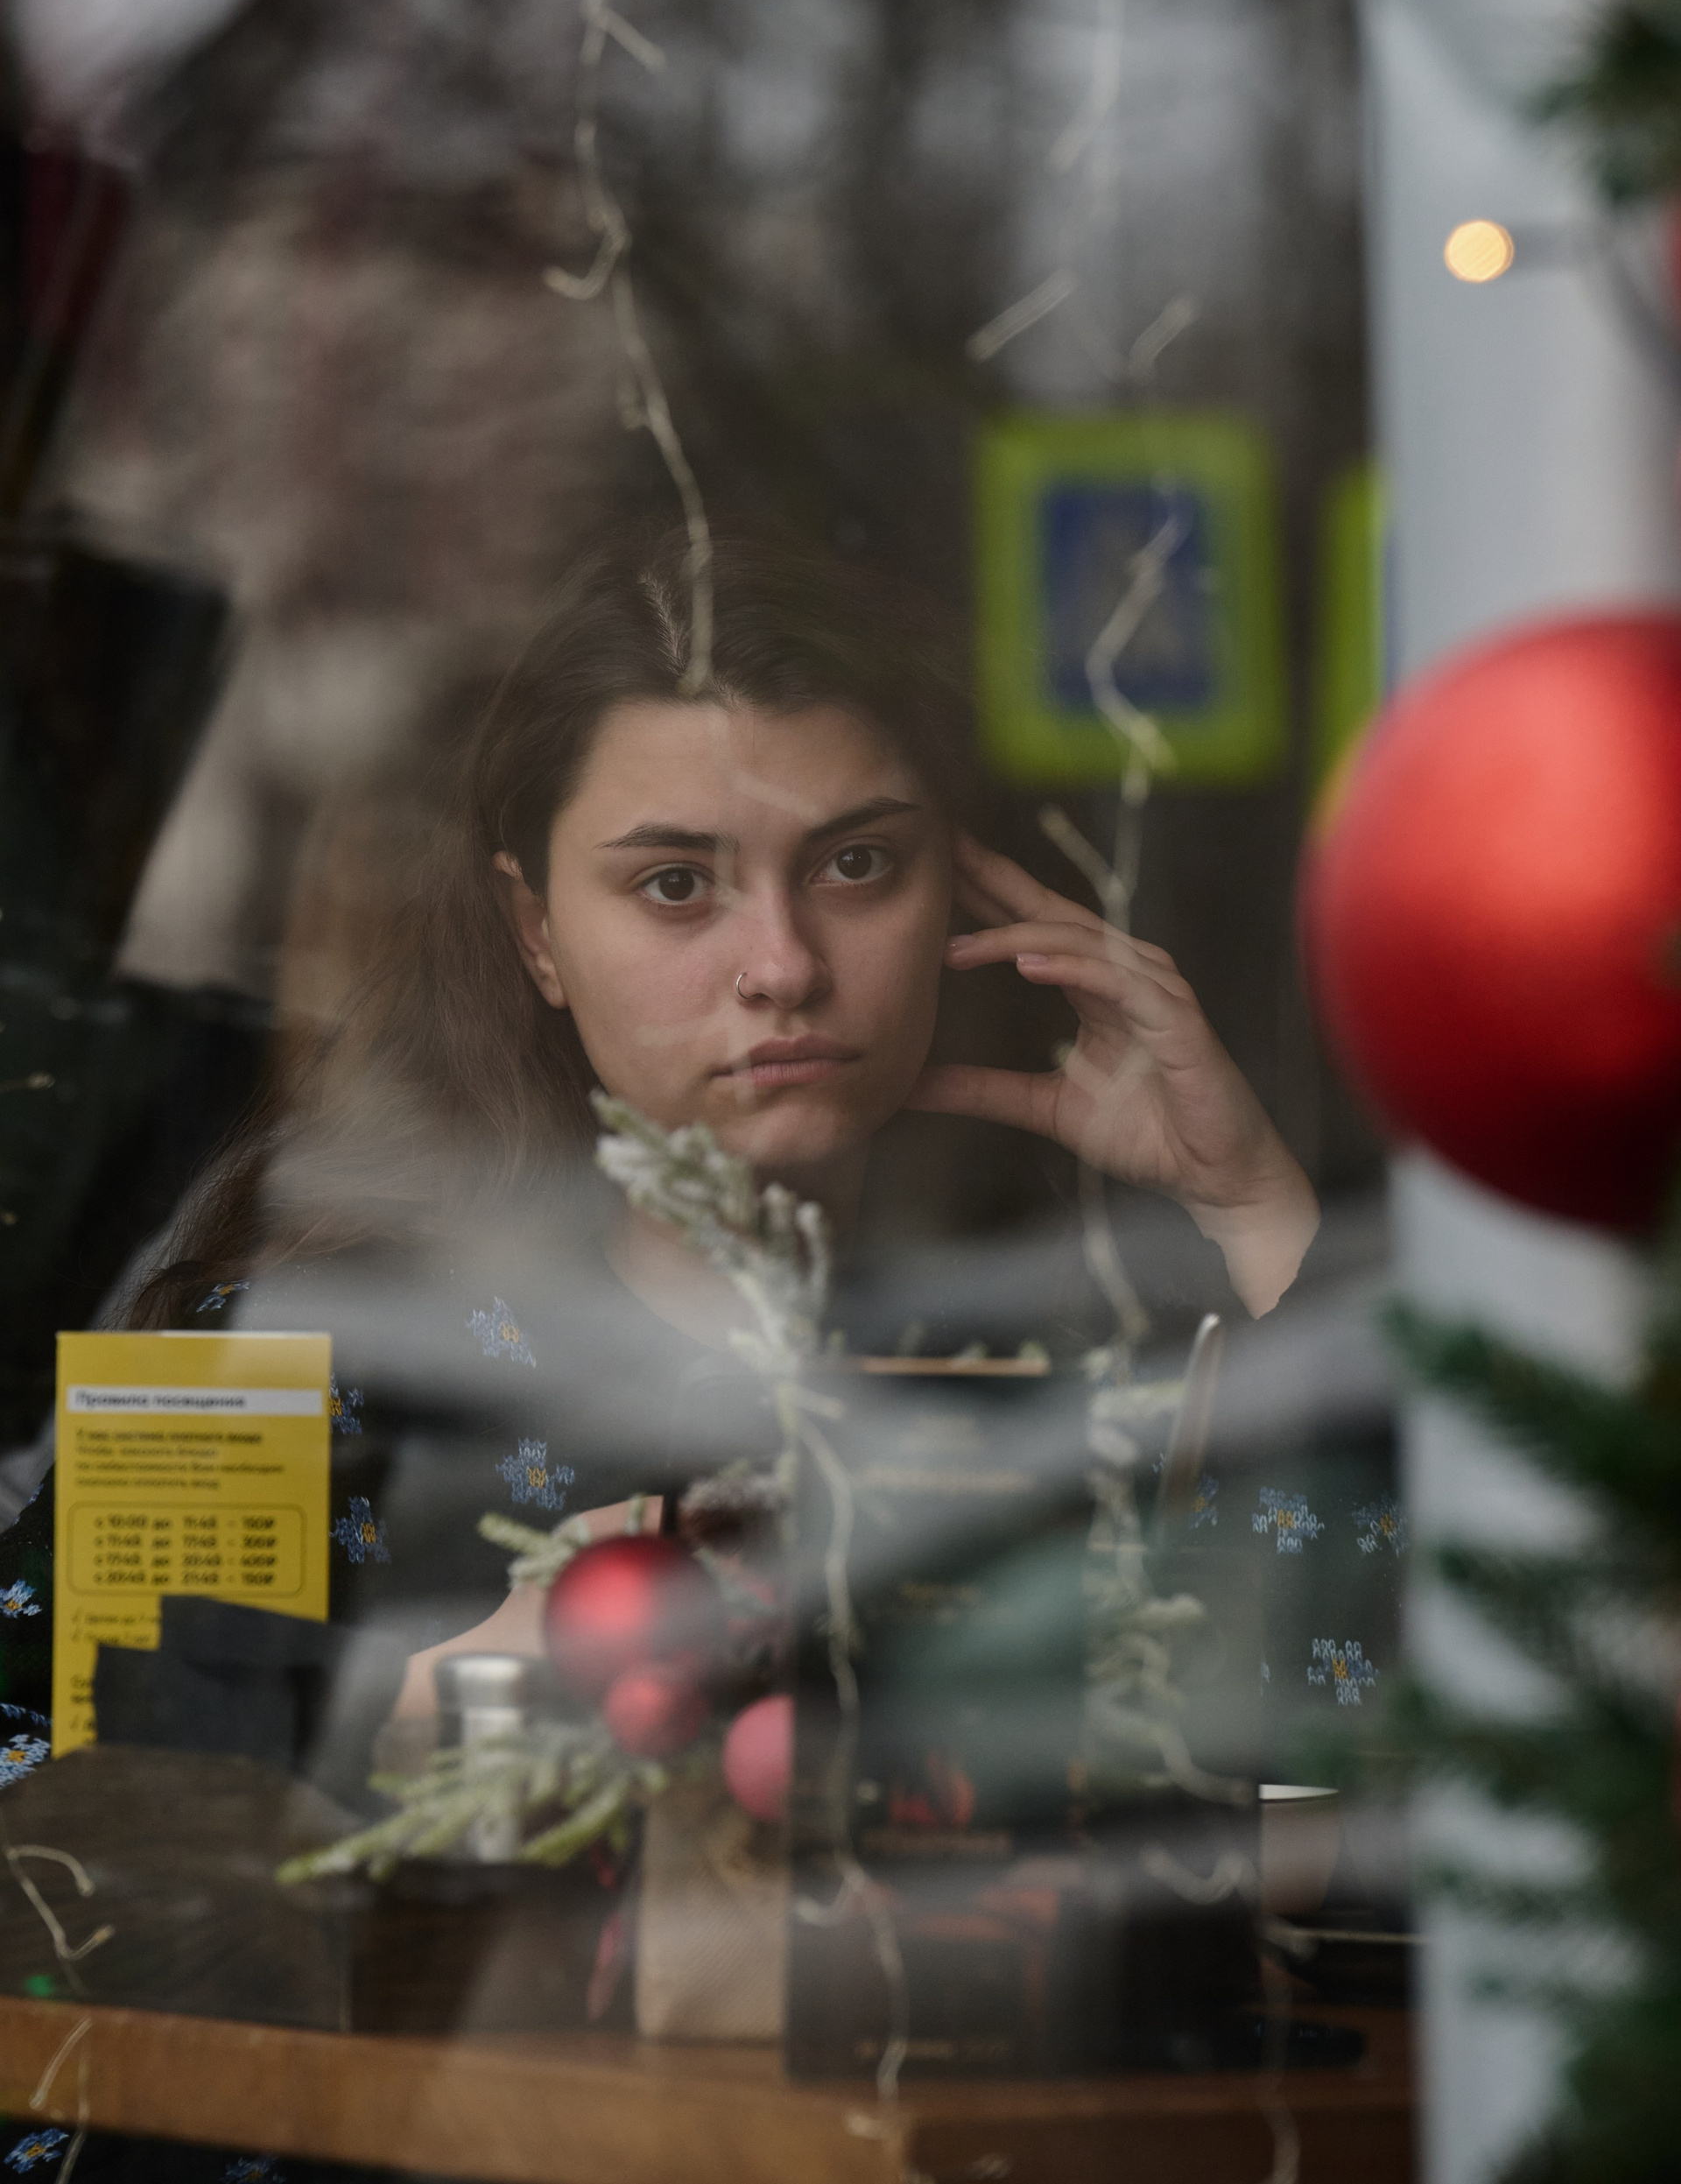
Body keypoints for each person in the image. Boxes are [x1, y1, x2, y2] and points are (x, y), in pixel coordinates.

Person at [5, 523, 1320, 1730]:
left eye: (858, 864)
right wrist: (449, 1704)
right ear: (536, 932)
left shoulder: (1071, 1326)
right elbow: (82, 1800)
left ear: (959, 895)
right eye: (678, 884)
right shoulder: (322, 1346)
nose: (783, 965)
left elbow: (1341, 1730)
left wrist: (1254, 1207)